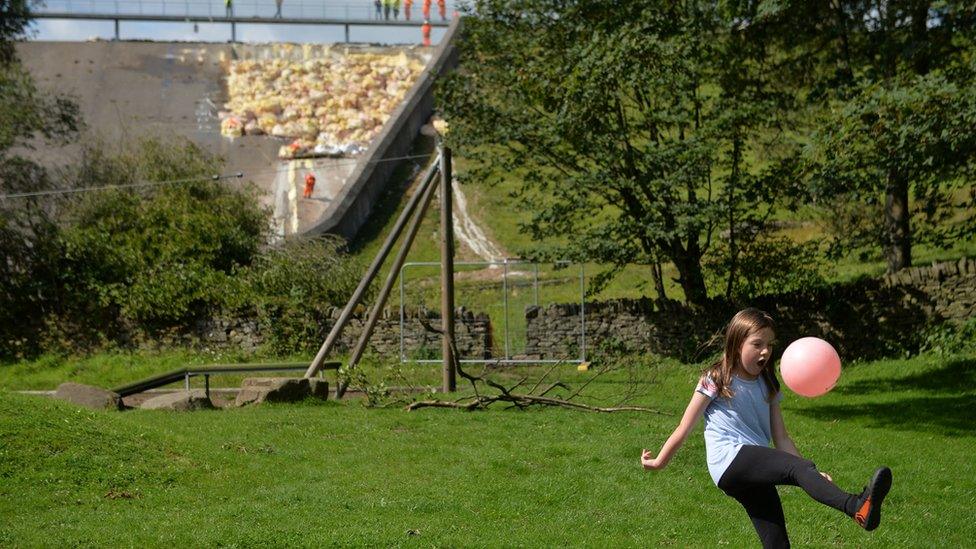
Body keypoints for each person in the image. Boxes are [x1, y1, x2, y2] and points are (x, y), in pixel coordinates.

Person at [641, 308, 893, 548]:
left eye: (770, 345)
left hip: (752, 469)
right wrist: (659, 461)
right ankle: (857, 507)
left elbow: (781, 438)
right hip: (729, 459)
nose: (765, 351)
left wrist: (811, 474)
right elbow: (685, 426)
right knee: (799, 468)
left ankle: (855, 506)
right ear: (737, 342)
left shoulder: (768, 383)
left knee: (777, 544)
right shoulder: (717, 378)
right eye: (757, 344)